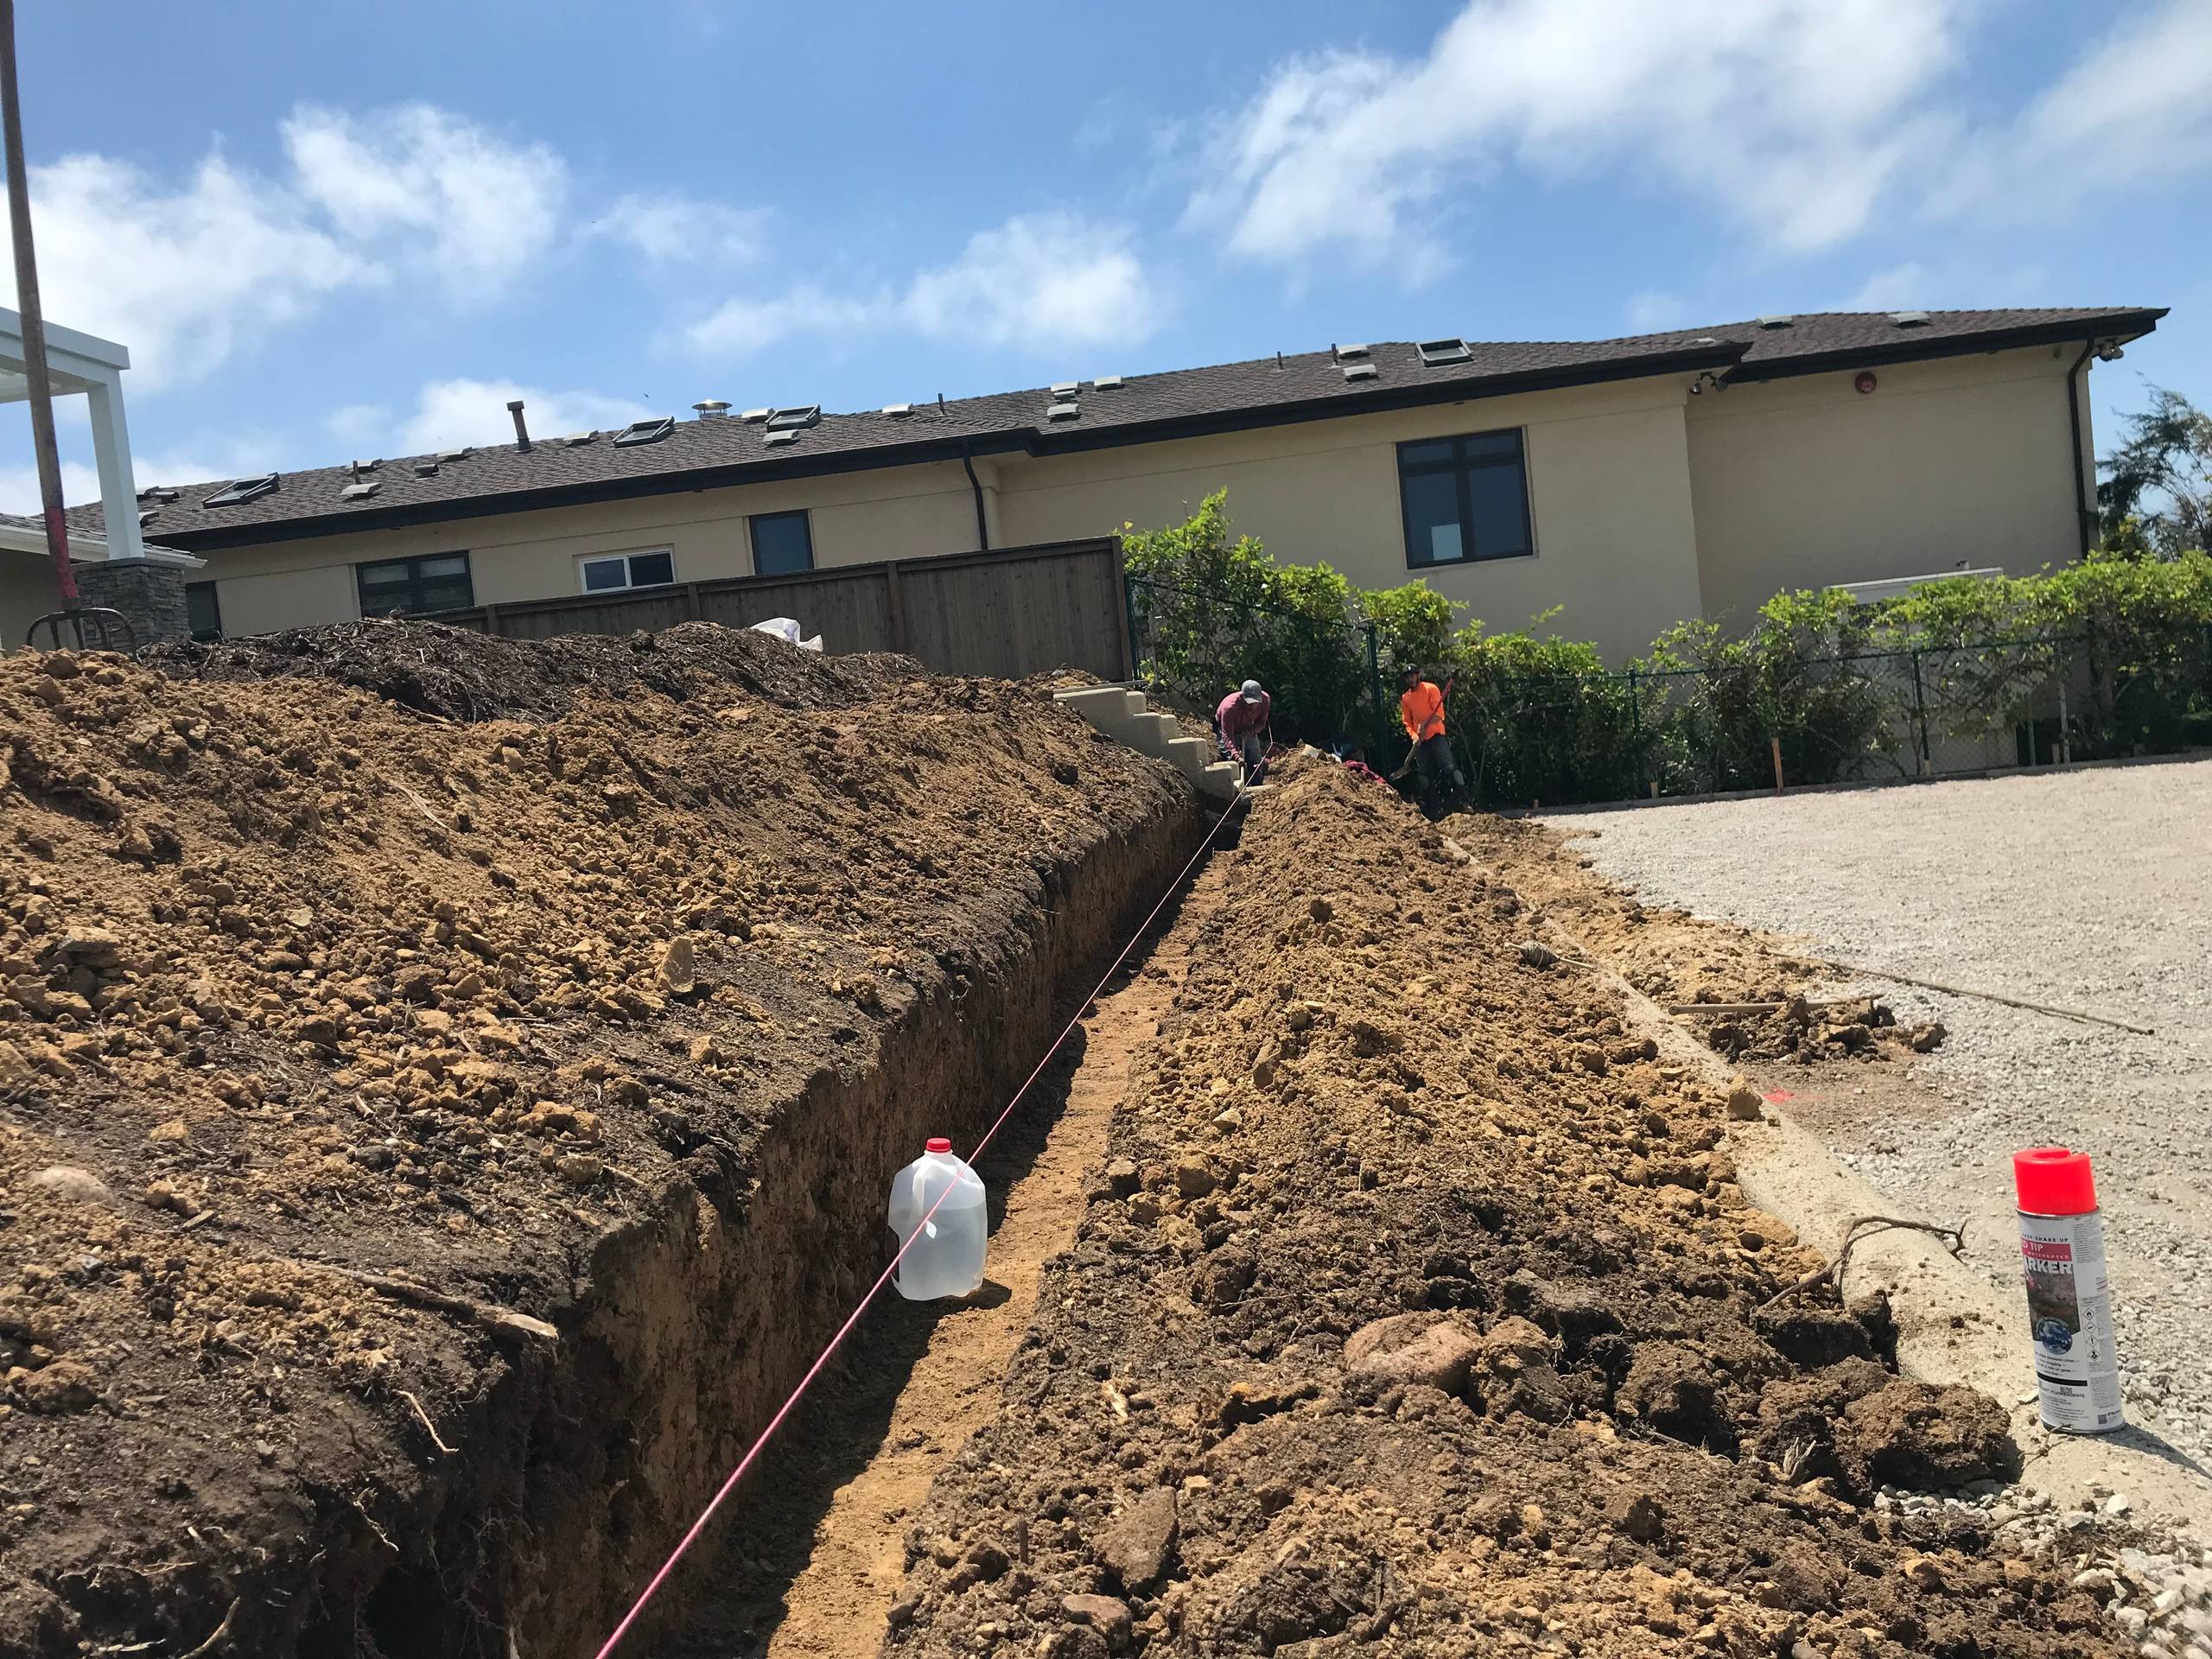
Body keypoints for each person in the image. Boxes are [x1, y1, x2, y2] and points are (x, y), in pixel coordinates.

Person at [1398, 665, 1464, 812]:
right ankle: (1433, 809)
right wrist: (1415, 735)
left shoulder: (1430, 689)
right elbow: (1407, 721)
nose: (1410, 679)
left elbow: (1439, 714)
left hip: (1436, 736)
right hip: (1420, 742)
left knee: (1450, 769)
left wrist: (1423, 725)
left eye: (1412, 675)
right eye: (1407, 676)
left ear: (1417, 675)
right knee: (1424, 776)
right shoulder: (1406, 698)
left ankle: (1463, 802)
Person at [1215, 678, 1272, 785]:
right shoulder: (1230, 707)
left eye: (1255, 702)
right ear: (1242, 698)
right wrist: (1236, 755)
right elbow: (1227, 734)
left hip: (1248, 728)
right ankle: (1233, 789)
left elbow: (1261, 723)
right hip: (1227, 730)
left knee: (1255, 759)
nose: (1253, 706)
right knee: (1231, 761)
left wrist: (1249, 733)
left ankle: (1257, 785)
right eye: (1249, 703)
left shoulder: (1265, 700)